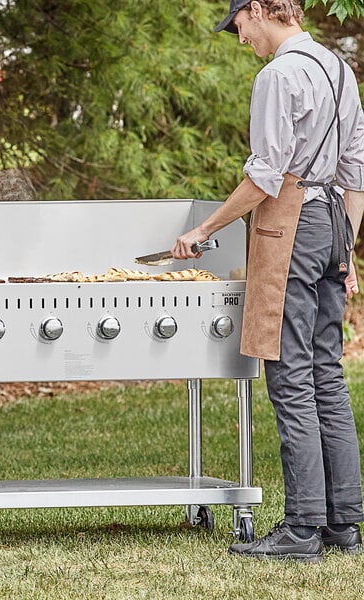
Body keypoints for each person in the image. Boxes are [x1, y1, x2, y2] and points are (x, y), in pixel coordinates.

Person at [172, 0, 364, 562]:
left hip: (292, 220)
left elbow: (266, 174)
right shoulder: (338, 68)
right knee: (326, 372)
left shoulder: (279, 74)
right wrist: (345, 248)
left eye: (238, 25)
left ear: (259, 9)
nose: (238, 38)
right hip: (332, 221)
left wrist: (204, 228)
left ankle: (303, 527)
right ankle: (343, 525)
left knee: (289, 374)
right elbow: (356, 173)